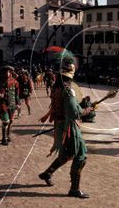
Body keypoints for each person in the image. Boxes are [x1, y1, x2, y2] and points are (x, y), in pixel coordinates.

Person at [38, 50, 94, 198]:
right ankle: (74, 189)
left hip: (60, 125)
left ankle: (47, 173)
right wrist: (88, 109)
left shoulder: (56, 88)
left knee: (65, 154)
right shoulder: (68, 91)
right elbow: (75, 113)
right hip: (69, 127)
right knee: (81, 156)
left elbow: (64, 107)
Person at [0, 66, 20, 145]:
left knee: (11, 121)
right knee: (5, 121)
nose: (7, 73)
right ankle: (4, 138)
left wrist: (18, 103)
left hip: (12, 104)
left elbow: (17, 94)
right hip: (3, 104)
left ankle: (8, 135)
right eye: (5, 72)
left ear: (11, 72)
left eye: (9, 72)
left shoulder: (15, 82)